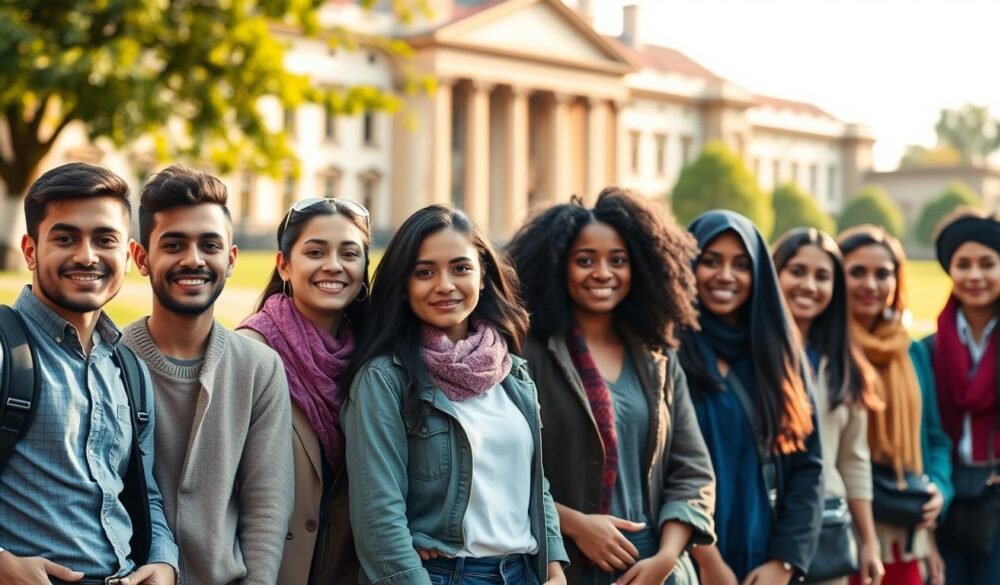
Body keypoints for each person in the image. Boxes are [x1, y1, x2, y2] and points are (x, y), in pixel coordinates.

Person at [341, 205, 568, 585]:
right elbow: (378, 515)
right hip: (442, 575)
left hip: (523, 572)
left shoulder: (514, 374)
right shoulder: (383, 379)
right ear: (404, 285)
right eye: (425, 272)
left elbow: (534, 482)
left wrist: (554, 567)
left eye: (460, 268)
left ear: (482, 276)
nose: (445, 285)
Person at [506, 188, 716, 585]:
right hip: (566, 567)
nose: (603, 273)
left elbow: (692, 470)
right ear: (556, 267)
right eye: (585, 260)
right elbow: (503, 471)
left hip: (659, 571)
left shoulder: (658, 356)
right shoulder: (526, 354)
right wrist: (575, 525)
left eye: (617, 261)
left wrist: (667, 556)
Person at [0, 162, 178, 584]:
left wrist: (164, 561)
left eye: (105, 239)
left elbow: (144, 490)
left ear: (128, 253)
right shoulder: (6, 350)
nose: (86, 255)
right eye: (65, 238)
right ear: (30, 250)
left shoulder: (128, 367)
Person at [122, 165, 293, 585]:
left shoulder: (260, 367)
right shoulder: (111, 359)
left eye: (209, 244)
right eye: (174, 244)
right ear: (142, 258)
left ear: (230, 259)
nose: (194, 259)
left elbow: (267, 504)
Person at [676, 210, 823, 585]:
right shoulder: (665, 350)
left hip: (763, 553)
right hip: (683, 553)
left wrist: (785, 561)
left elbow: (809, 466)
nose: (725, 275)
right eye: (710, 261)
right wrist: (707, 562)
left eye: (741, 264)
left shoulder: (779, 354)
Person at [237, 196, 371, 584]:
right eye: (315, 251)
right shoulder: (248, 353)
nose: (333, 265)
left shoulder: (374, 361)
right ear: (284, 265)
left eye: (349, 253)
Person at [836, 225, 953, 585]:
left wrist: (939, 489)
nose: (871, 285)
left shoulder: (912, 352)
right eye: (857, 272)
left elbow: (934, 438)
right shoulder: (825, 349)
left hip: (906, 534)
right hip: (842, 531)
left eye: (883, 274)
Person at [772, 228, 884, 585]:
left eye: (823, 276)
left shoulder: (842, 363)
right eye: (797, 271)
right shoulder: (749, 355)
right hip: (761, 527)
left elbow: (853, 460)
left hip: (825, 528)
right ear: (774, 274)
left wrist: (868, 542)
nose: (809, 285)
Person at [928, 210, 1000, 584]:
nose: (974, 276)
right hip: (948, 497)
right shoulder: (929, 350)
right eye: (962, 264)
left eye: (987, 264)